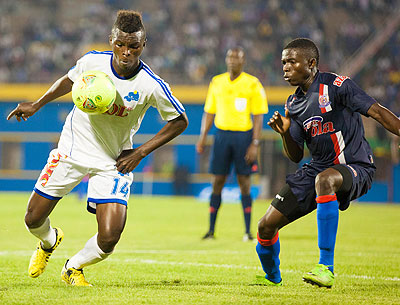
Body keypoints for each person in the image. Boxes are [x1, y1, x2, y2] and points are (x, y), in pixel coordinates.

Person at [7, 10, 188, 286]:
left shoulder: (151, 85)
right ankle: (49, 241)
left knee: (109, 237)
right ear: (111, 39)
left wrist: (140, 152)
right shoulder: (92, 61)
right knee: (32, 218)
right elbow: (70, 80)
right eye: (120, 44)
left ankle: (73, 267)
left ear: (144, 45)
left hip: (114, 160)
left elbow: (180, 120)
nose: (126, 52)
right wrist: (37, 103)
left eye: (134, 46)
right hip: (73, 149)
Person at [254, 38, 400, 288]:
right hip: (317, 168)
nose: (285, 68)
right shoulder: (293, 104)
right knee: (266, 226)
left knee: (325, 180)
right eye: (283, 63)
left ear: (311, 63)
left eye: (291, 61)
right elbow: (295, 155)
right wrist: (285, 132)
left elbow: (376, 111)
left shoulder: (338, 85)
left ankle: (326, 267)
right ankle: (272, 276)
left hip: (356, 165)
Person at [196, 47, 268, 241]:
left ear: (243, 61)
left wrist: (254, 143)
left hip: (243, 137)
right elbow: (209, 112)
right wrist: (203, 136)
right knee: (217, 181)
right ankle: (211, 231)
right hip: (221, 136)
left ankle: (247, 231)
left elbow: (259, 116)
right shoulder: (217, 82)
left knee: (244, 183)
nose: (232, 60)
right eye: (229, 57)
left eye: (237, 57)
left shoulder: (252, 84)